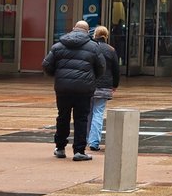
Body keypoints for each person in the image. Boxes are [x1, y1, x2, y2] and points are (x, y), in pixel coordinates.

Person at [43, 20, 105, 161]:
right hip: (84, 89)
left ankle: (60, 148)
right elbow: (101, 67)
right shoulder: (93, 47)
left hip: (63, 88)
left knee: (63, 117)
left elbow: (46, 65)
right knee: (81, 118)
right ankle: (79, 150)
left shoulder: (58, 46)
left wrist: (58, 75)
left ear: (73, 29)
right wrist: (91, 78)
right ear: (87, 31)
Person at [86, 25, 119, 152]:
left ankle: (86, 138)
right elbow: (116, 70)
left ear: (95, 35)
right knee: (98, 113)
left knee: (87, 113)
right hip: (105, 86)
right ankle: (94, 142)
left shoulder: (90, 48)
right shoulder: (111, 50)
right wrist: (114, 85)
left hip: (89, 84)